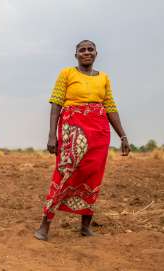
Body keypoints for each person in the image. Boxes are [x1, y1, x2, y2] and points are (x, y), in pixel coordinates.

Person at [35, 40, 130, 241]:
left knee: (93, 176)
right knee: (64, 173)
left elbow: (110, 107)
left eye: (90, 49)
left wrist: (123, 135)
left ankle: (85, 226)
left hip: (99, 132)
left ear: (96, 53)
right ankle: (45, 224)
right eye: (82, 50)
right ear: (75, 54)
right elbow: (56, 105)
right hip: (72, 129)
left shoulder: (104, 78)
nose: (86, 52)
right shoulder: (67, 74)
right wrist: (52, 135)